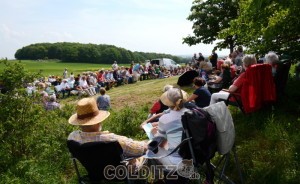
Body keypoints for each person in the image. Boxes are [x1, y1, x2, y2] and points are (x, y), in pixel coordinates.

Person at [67, 97, 147, 158]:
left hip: (94, 173)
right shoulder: (112, 140)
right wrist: (151, 141)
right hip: (119, 173)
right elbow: (141, 149)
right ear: (99, 120)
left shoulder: (72, 137)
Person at [149, 88, 189, 168]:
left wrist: (154, 133)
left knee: (149, 148)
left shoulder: (165, 119)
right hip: (195, 155)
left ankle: (160, 177)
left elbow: (159, 144)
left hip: (177, 160)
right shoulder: (192, 112)